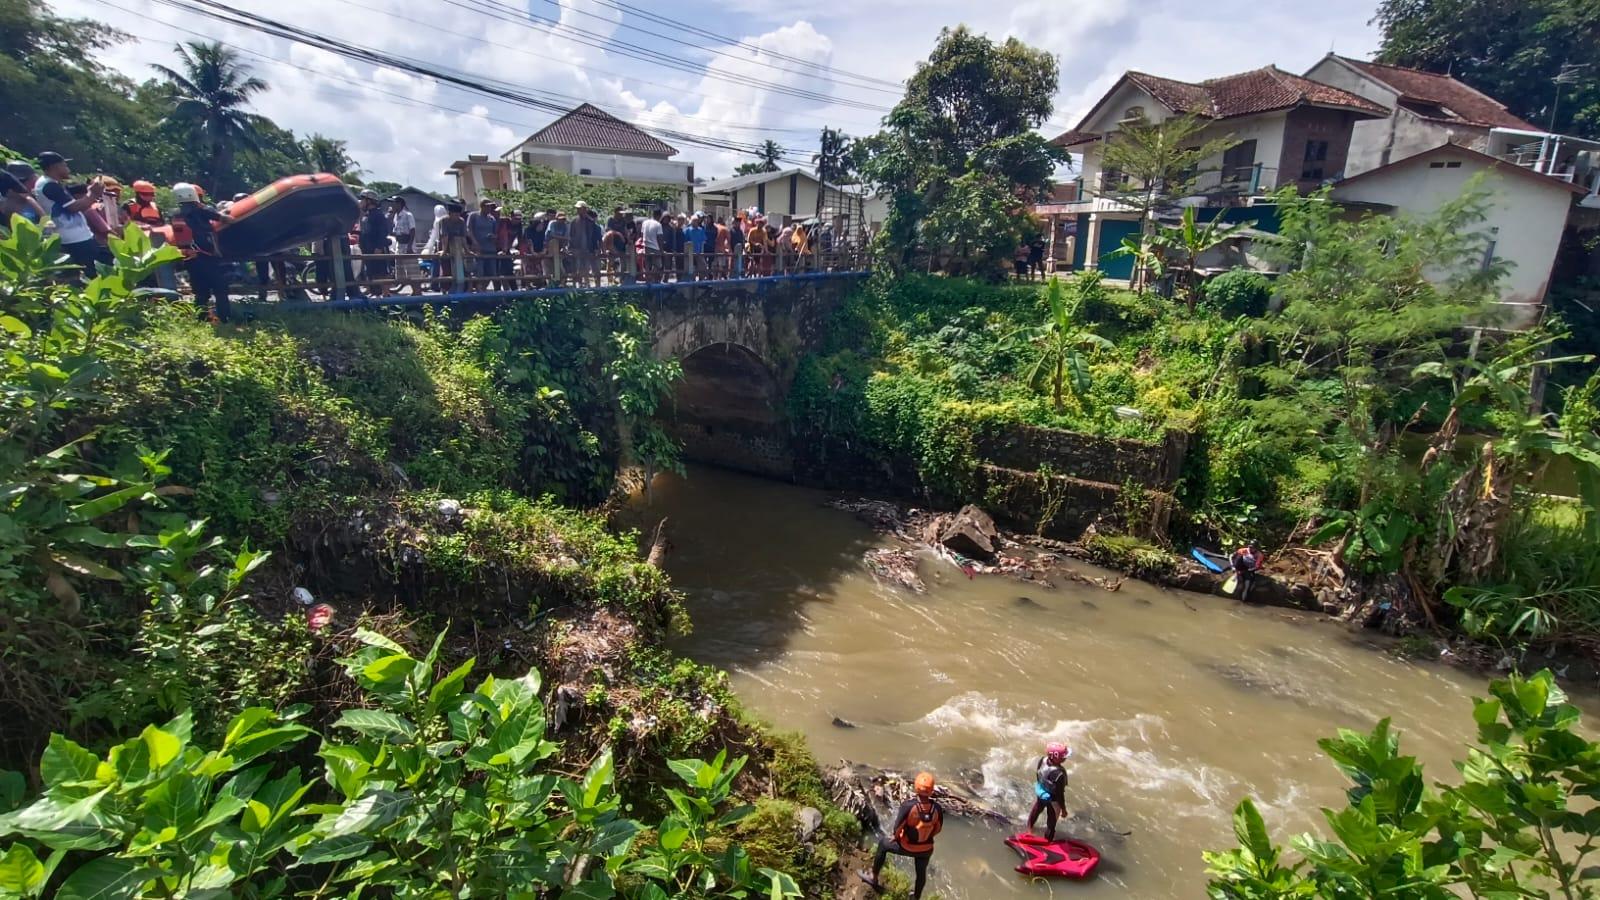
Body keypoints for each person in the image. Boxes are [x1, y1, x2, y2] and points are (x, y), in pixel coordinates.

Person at [859, 771, 941, 899]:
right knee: (921, 873)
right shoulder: (937, 808)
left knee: (883, 845)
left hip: (907, 846)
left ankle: (873, 878)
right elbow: (937, 829)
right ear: (931, 791)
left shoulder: (908, 806)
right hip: (926, 849)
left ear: (916, 788)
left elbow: (897, 828)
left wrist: (895, 837)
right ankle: (916, 897)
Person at [34, 152, 106, 277]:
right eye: (64, 165)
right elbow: (74, 207)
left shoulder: (51, 184)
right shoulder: (49, 186)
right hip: (73, 240)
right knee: (90, 275)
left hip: (77, 238)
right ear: (54, 167)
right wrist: (93, 194)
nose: (68, 169)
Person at [174, 181, 235, 321]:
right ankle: (225, 319)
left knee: (200, 292)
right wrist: (225, 215)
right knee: (220, 289)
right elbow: (227, 219)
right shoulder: (202, 210)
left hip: (190, 258)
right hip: (208, 256)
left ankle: (201, 319)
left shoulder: (175, 214)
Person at [1027, 742, 1071, 842]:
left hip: (1042, 792)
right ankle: (1048, 841)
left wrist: (1040, 789)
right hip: (1053, 799)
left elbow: (1038, 774)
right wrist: (1063, 809)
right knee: (1052, 821)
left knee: (1037, 809)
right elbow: (1060, 794)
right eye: (1063, 756)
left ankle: (1029, 829)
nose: (1065, 758)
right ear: (1055, 757)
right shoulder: (1059, 774)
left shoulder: (1042, 760)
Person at [357, 189, 392, 294]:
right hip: (368, 248)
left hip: (377, 249)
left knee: (382, 272)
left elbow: (383, 232)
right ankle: (373, 293)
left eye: (363, 199)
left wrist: (379, 247)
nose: (361, 202)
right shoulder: (366, 216)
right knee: (371, 272)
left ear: (369, 201)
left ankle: (386, 295)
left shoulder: (378, 215)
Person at [465, 199, 498, 289]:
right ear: (482, 206)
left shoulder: (492, 219)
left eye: (490, 206)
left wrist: (493, 236)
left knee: (491, 272)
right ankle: (478, 289)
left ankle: (484, 288)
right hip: (478, 249)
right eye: (486, 206)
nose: (488, 208)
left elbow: (496, 234)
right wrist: (474, 242)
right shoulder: (473, 216)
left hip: (490, 249)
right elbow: (468, 230)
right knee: (479, 272)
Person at [544, 209, 570, 284]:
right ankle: (554, 281)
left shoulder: (565, 226)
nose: (562, 221)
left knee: (560, 267)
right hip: (549, 245)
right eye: (560, 219)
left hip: (560, 247)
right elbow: (552, 235)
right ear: (556, 218)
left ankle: (561, 281)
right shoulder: (552, 223)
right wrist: (564, 238)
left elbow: (566, 238)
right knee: (554, 241)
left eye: (563, 219)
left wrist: (565, 247)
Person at [640, 209, 663, 282]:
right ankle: (651, 278)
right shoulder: (658, 224)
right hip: (655, 247)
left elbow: (641, 234)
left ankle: (648, 280)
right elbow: (660, 238)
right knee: (658, 265)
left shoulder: (645, 222)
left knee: (647, 265)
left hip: (646, 246)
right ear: (659, 215)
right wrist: (661, 250)